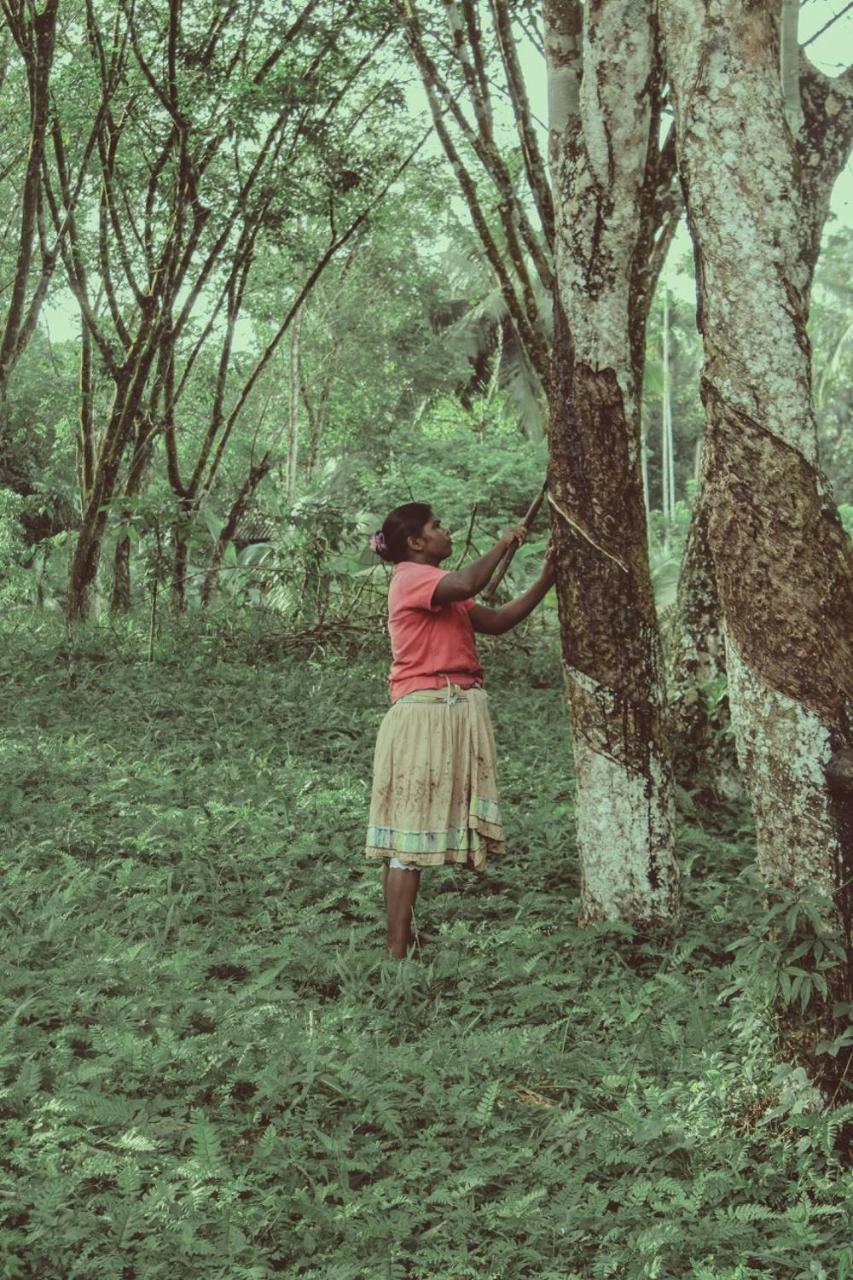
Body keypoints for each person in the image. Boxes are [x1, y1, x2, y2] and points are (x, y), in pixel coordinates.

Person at [366, 502, 556, 959]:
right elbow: (472, 580)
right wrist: (504, 541)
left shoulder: (441, 589)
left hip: (446, 710)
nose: (445, 531)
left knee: (411, 835)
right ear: (415, 543)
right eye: (437, 527)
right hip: (425, 712)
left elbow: (497, 621)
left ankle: (402, 943)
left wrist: (548, 578)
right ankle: (396, 953)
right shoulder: (413, 578)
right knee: (408, 837)